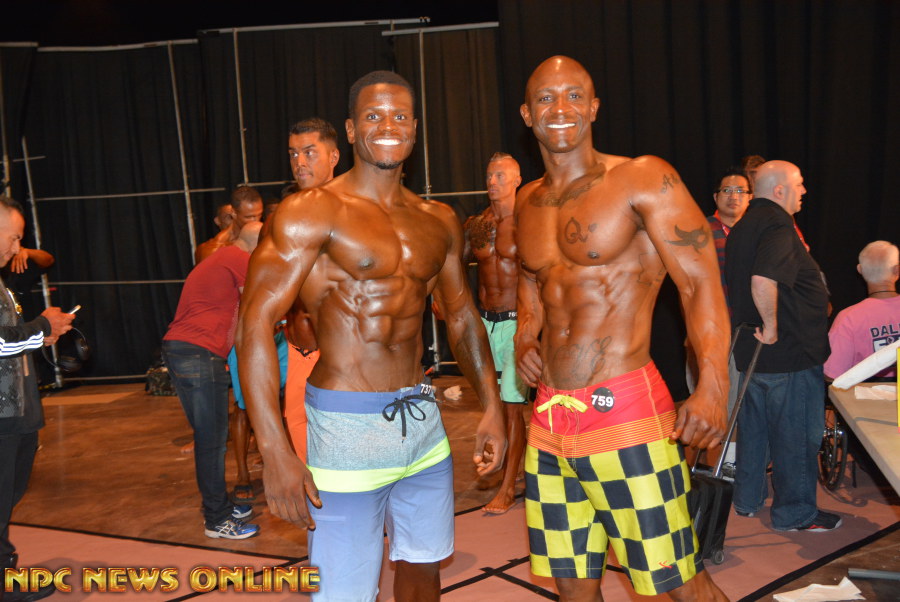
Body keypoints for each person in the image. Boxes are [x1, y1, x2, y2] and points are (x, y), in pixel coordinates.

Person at [236, 71, 506, 601]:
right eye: (374, 116)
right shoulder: (311, 211)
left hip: (422, 421)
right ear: (351, 129)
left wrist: (492, 405)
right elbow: (253, 325)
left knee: (424, 568)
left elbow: (461, 316)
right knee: (345, 591)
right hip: (345, 427)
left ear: (415, 128)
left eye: (400, 116)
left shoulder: (438, 219)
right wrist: (274, 448)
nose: (388, 126)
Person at [514, 56, 729, 601]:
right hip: (548, 419)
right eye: (545, 98)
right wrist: (523, 335)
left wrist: (713, 385)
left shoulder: (641, 178)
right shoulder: (526, 200)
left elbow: (699, 283)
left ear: (594, 107)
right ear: (527, 114)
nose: (560, 108)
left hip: (627, 411)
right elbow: (531, 280)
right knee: (572, 587)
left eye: (573, 95)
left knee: (678, 584)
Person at [725, 160, 840, 532]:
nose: (804, 190)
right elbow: (762, 279)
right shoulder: (777, 224)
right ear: (779, 190)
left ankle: (747, 500)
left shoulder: (742, 226)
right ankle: (795, 513)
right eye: (800, 183)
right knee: (796, 436)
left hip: (752, 351)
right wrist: (772, 327)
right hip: (788, 354)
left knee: (755, 431)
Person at [162, 222, 263, 540]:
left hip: (185, 349)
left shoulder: (223, 258)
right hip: (198, 353)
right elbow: (257, 306)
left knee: (211, 438)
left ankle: (220, 506)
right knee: (212, 441)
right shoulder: (240, 259)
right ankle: (217, 519)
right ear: (258, 246)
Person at [0, 195, 74, 601]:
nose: (18, 248)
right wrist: (41, 326)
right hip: (4, 414)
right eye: (14, 238)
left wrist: (39, 332)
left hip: (16, 409)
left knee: (8, 496)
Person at [463, 152, 527, 515]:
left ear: (517, 179)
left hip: (517, 322)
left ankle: (507, 487)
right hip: (486, 322)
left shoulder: (527, 220)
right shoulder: (478, 224)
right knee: (495, 406)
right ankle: (513, 469)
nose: (492, 182)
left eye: (501, 176)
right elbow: (455, 263)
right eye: (489, 175)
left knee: (512, 409)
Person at [824, 240, 900, 380]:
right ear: (897, 270)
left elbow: (833, 375)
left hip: (865, 393)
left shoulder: (848, 318)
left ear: (860, 270)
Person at [194, 186, 263, 263]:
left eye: (259, 215)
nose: (256, 221)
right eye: (248, 217)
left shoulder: (266, 236)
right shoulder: (216, 249)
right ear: (233, 213)